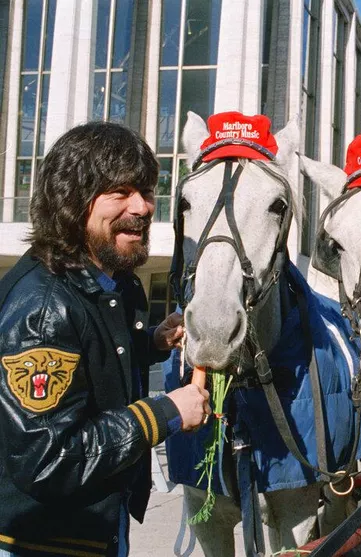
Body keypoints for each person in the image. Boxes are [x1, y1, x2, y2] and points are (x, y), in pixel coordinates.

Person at [0, 122, 211, 557]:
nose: (143, 206)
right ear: (72, 198)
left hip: (94, 529)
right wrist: (164, 412)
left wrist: (151, 341)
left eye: (148, 191)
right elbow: (48, 458)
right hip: (46, 544)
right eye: (120, 191)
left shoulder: (107, 284)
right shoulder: (43, 307)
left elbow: (88, 360)